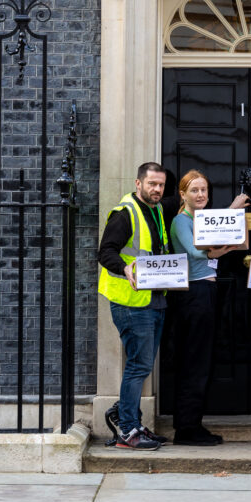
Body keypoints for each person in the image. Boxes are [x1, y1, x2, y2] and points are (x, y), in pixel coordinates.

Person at [97, 161, 171, 450]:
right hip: (130, 301)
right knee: (138, 365)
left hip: (154, 298)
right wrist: (125, 269)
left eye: (161, 184)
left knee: (142, 365)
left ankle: (131, 419)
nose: (157, 189)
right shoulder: (124, 213)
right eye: (152, 183)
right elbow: (105, 253)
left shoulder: (157, 209)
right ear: (138, 183)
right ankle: (127, 429)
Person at [169, 169, 234, 446]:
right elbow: (197, 251)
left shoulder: (203, 219)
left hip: (206, 290)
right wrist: (222, 249)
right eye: (194, 190)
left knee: (201, 360)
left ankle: (192, 423)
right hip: (193, 292)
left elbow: (211, 242)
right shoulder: (181, 221)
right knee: (195, 360)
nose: (200, 195)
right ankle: (186, 429)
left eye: (204, 190)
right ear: (182, 194)